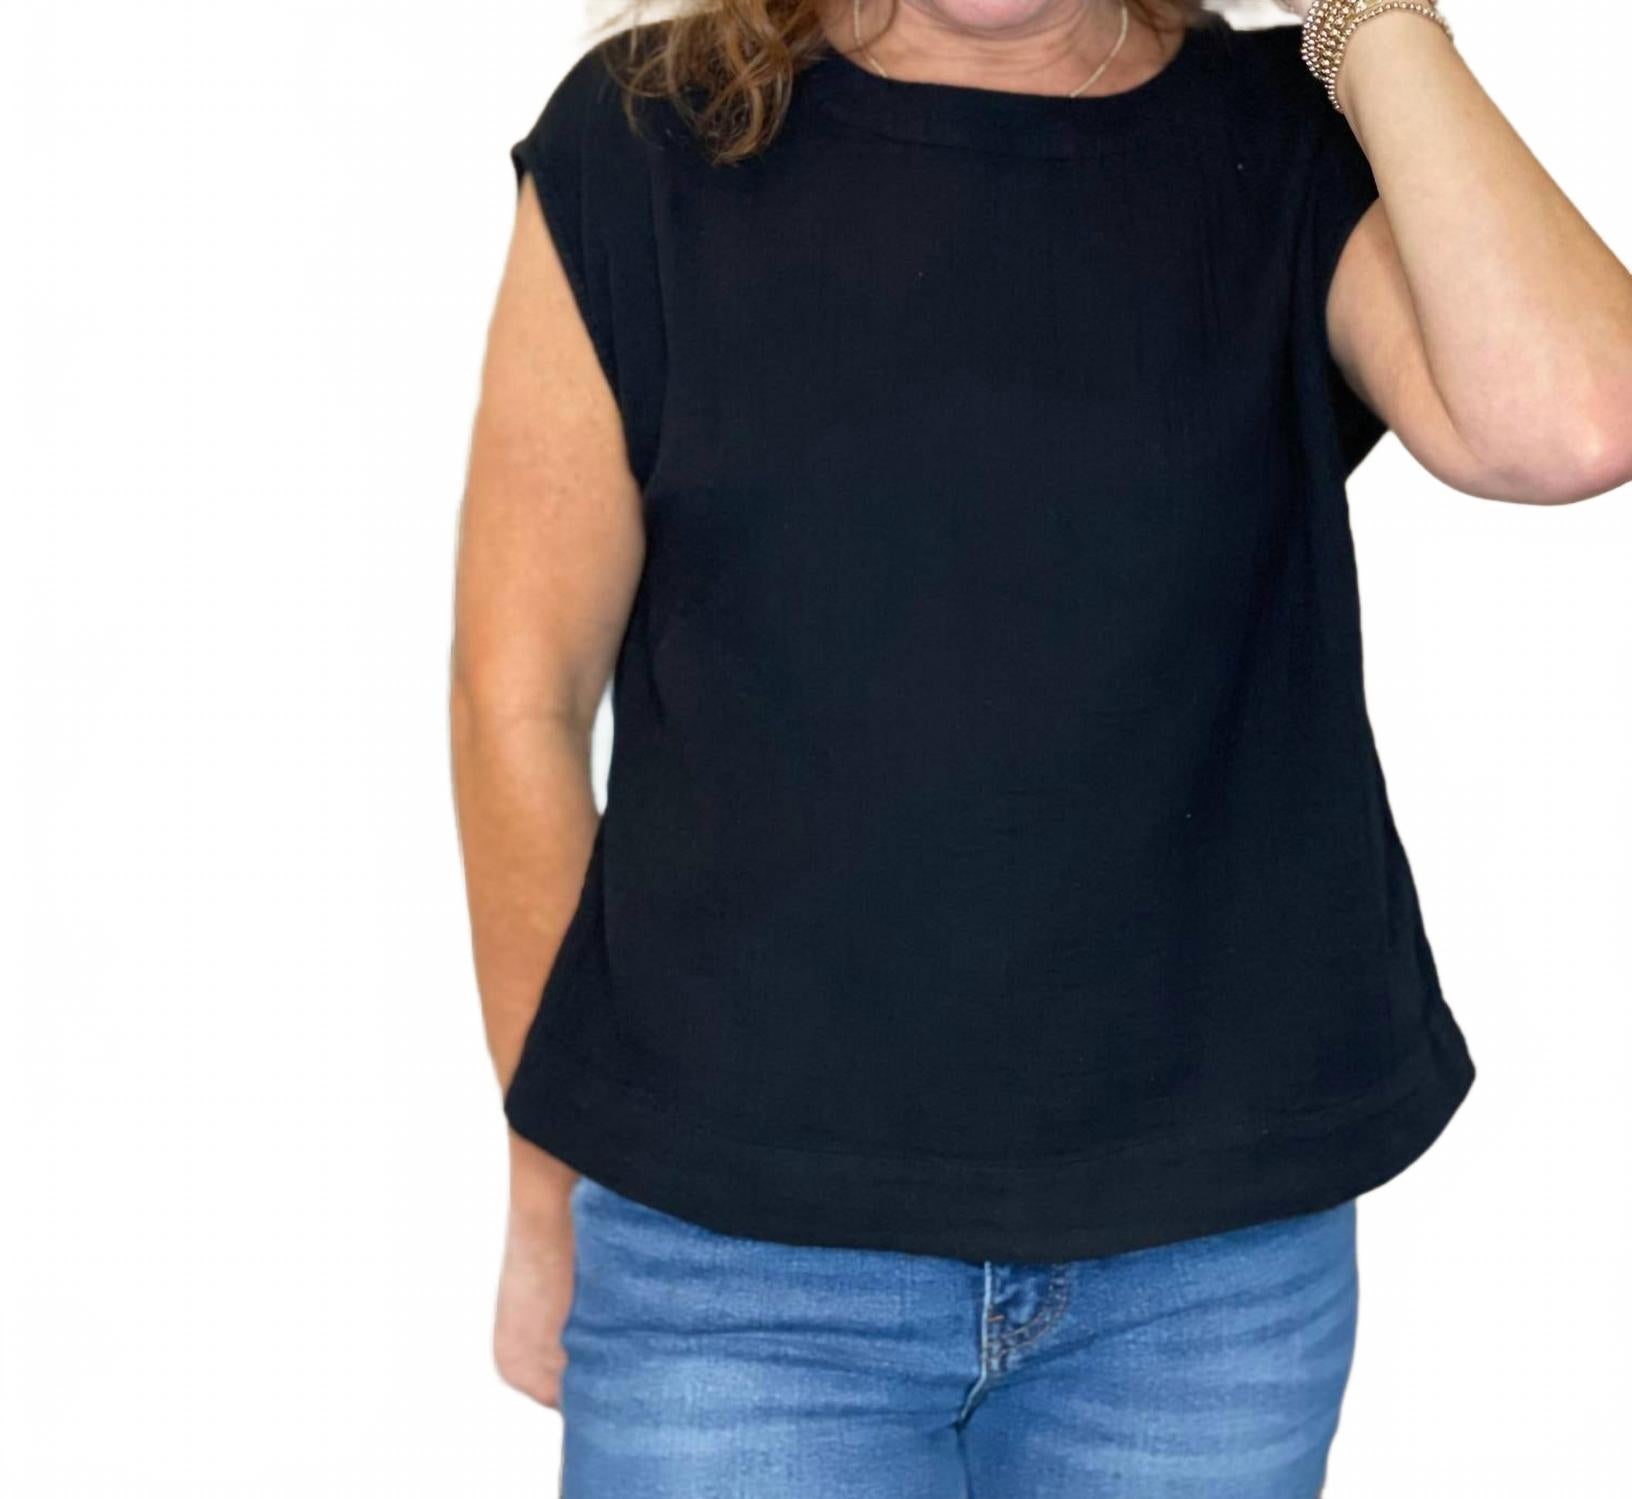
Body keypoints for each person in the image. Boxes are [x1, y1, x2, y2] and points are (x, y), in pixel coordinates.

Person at [449, 1, 1632, 1493]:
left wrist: (1373, 17)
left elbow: (1571, 420)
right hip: (733, 1272)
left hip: (1204, 1281)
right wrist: (548, 1172)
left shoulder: (1282, 133)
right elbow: (519, 694)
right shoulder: (646, 138)